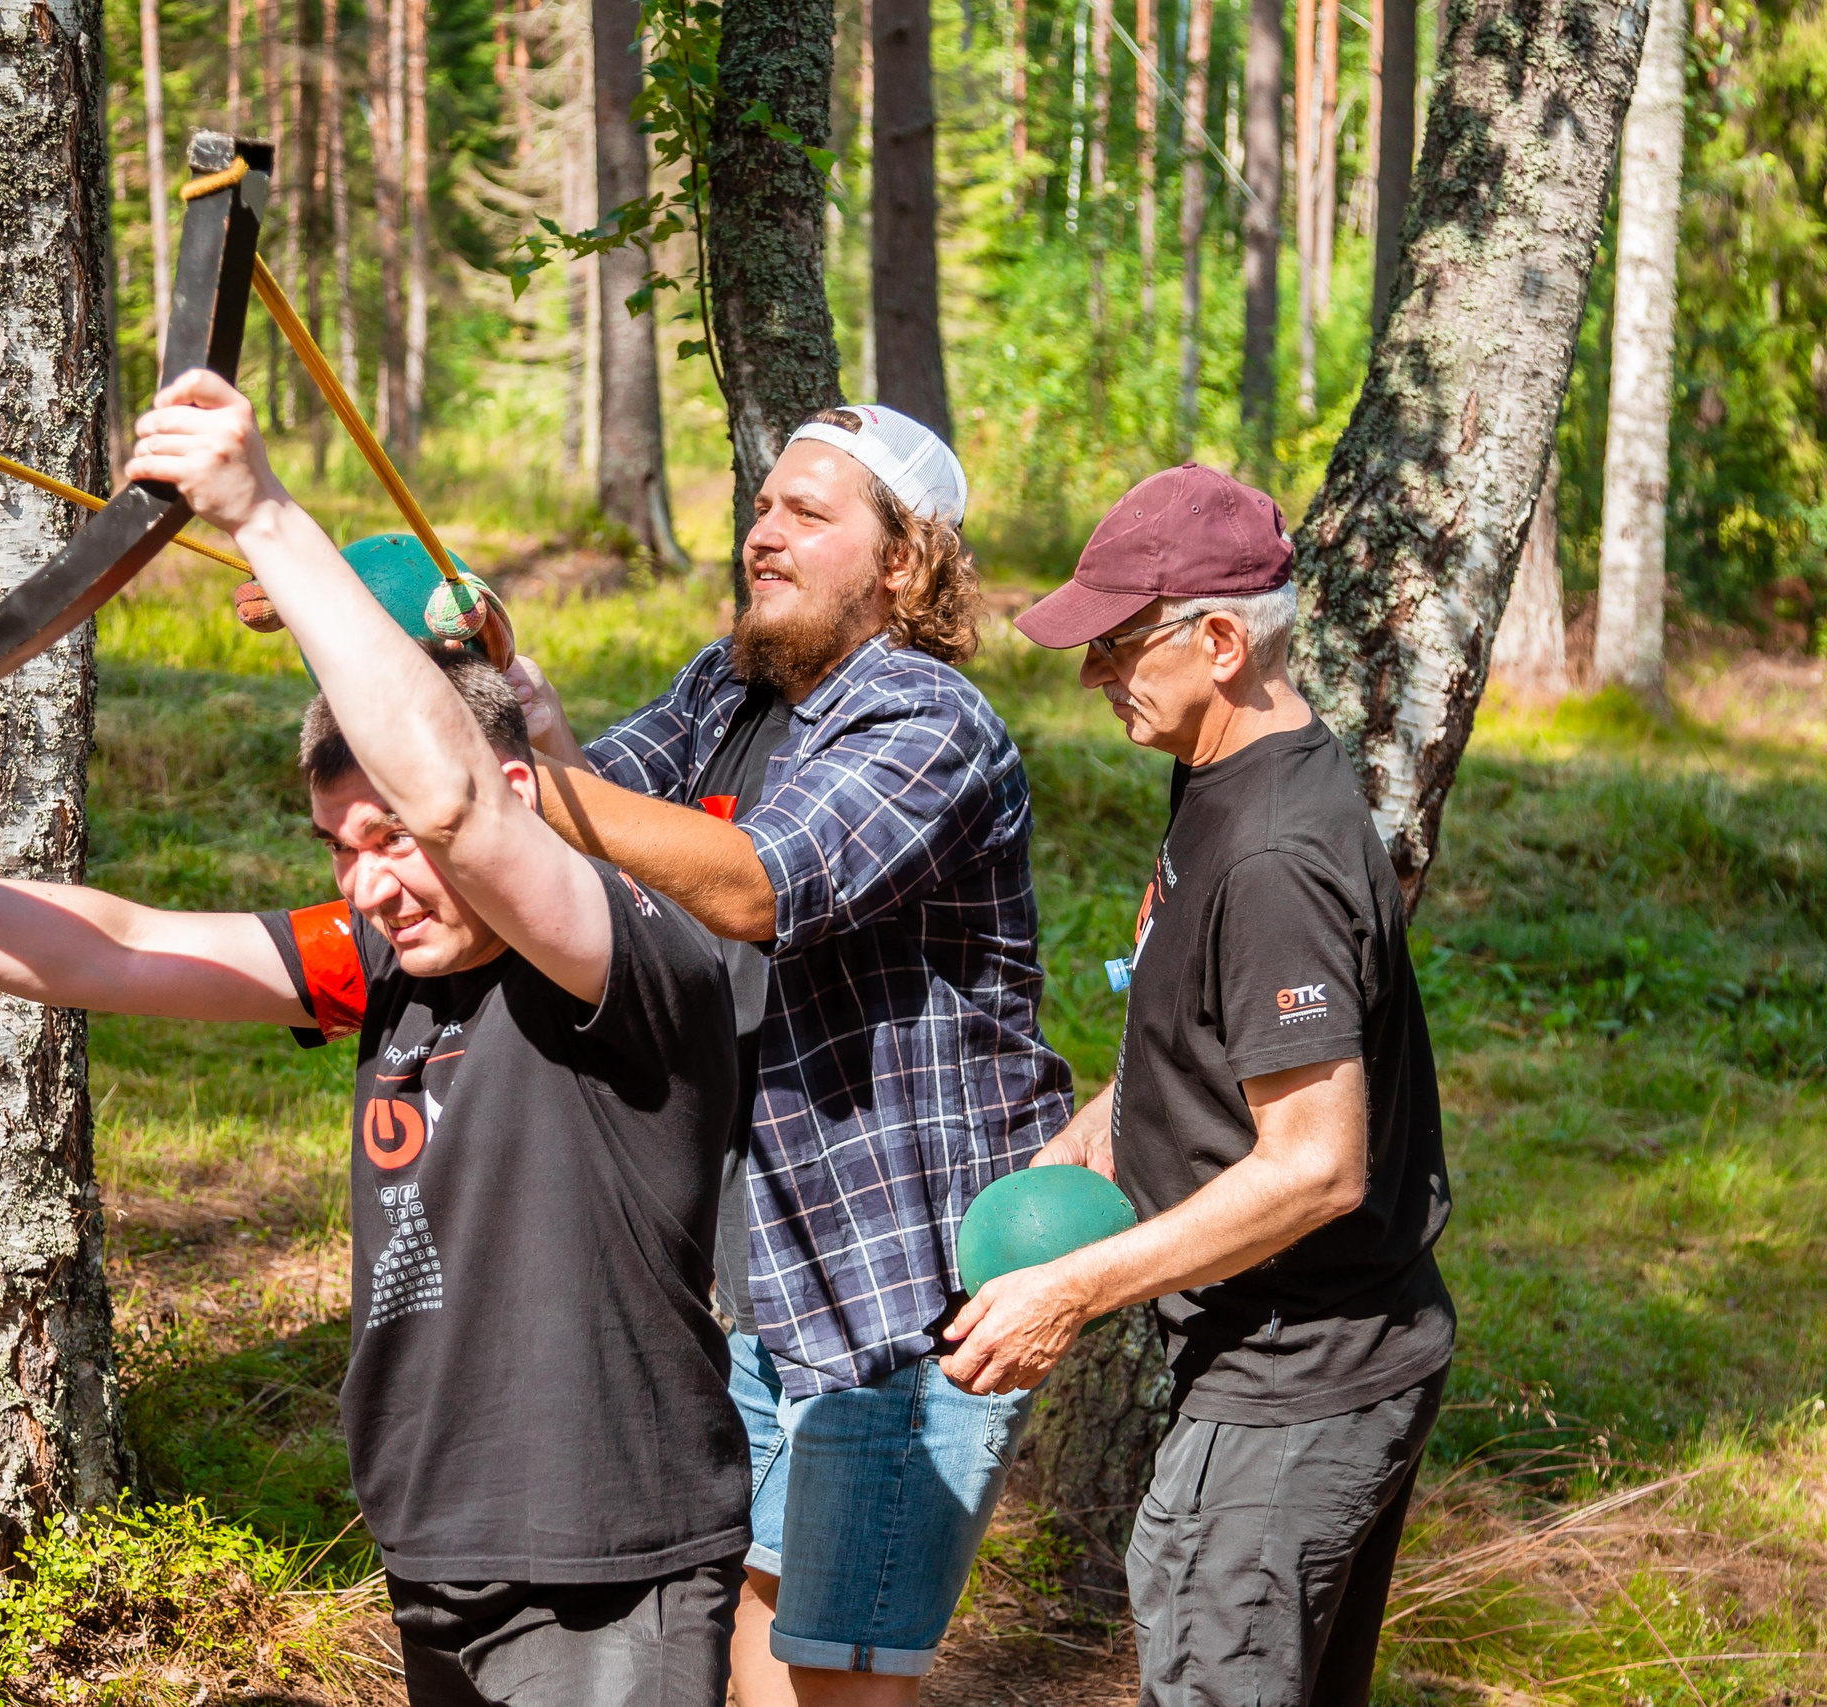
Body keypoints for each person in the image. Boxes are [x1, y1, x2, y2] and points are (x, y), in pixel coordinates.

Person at [0, 366, 754, 1706]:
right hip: (441, 1541)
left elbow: (462, 807)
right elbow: (113, 945)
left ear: (519, 793)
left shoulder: (629, 953)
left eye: (391, 838)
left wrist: (264, 515)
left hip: (605, 1556)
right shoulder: (385, 958)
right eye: (339, 846)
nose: (370, 881)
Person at [506, 404, 1074, 1700]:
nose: (764, 532)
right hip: (759, 1272)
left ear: (902, 562)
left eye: (808, 513)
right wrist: (464, 685)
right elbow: (586, 806)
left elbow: (762, 881)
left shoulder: (929, 719)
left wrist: (535, 783)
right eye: (763, 506)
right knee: (760, 1632)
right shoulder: (730, 688)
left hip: (900, 1300)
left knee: (837, 1677)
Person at [944, 464, 1456, 1707]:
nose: (1093, 675)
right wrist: (1105, 1129)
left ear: (1219, 642)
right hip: (1291, 1358)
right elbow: (1211, 1032)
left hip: (1293, 1378)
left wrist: (1072, 1289)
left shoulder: (1274, 856)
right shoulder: (1222, 775)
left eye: (1118, 646)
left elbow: (1316, 1168)